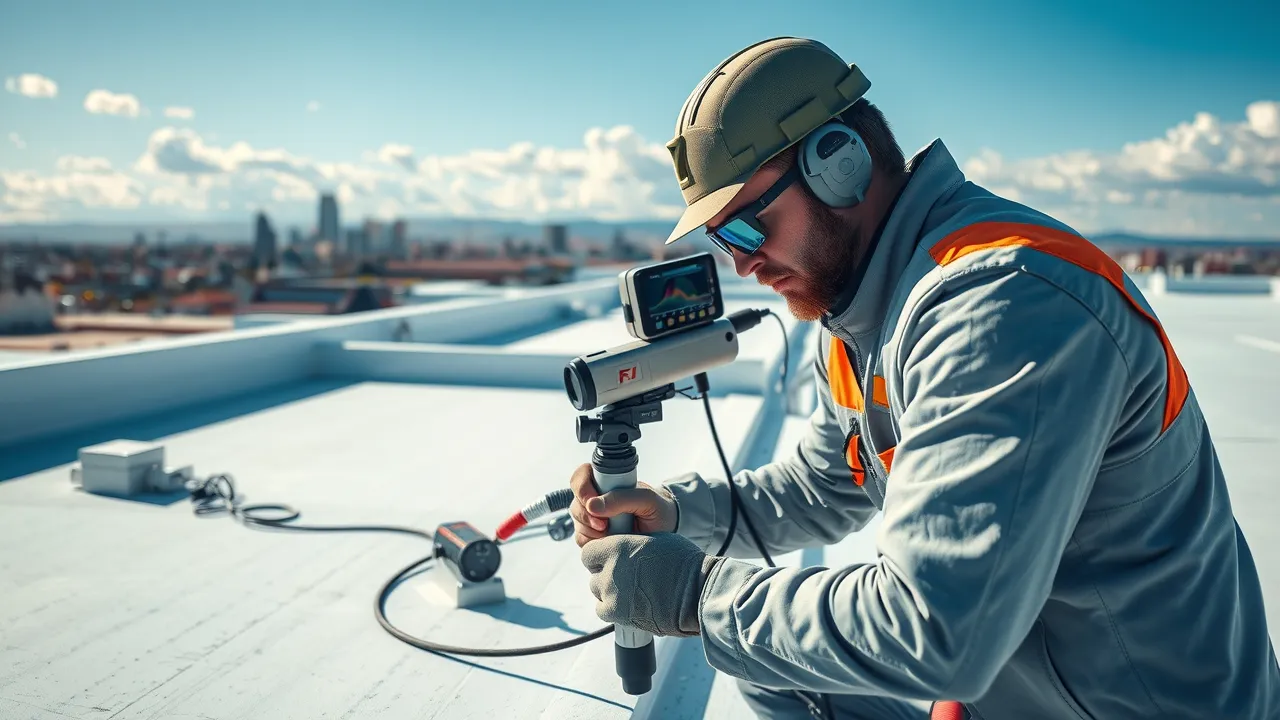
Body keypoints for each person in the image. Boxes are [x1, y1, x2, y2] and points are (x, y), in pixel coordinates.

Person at [571, 36, 1280, 720]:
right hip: (1006, 696)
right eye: (721, 238)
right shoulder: (857, 312)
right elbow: (824, 485)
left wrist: (697, 596)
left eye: (748, 227)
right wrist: (675, 511)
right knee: (770, 674)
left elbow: (938, 631)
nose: (742, 263)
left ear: (839, 164)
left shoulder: (1003, 303)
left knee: (755, 645)